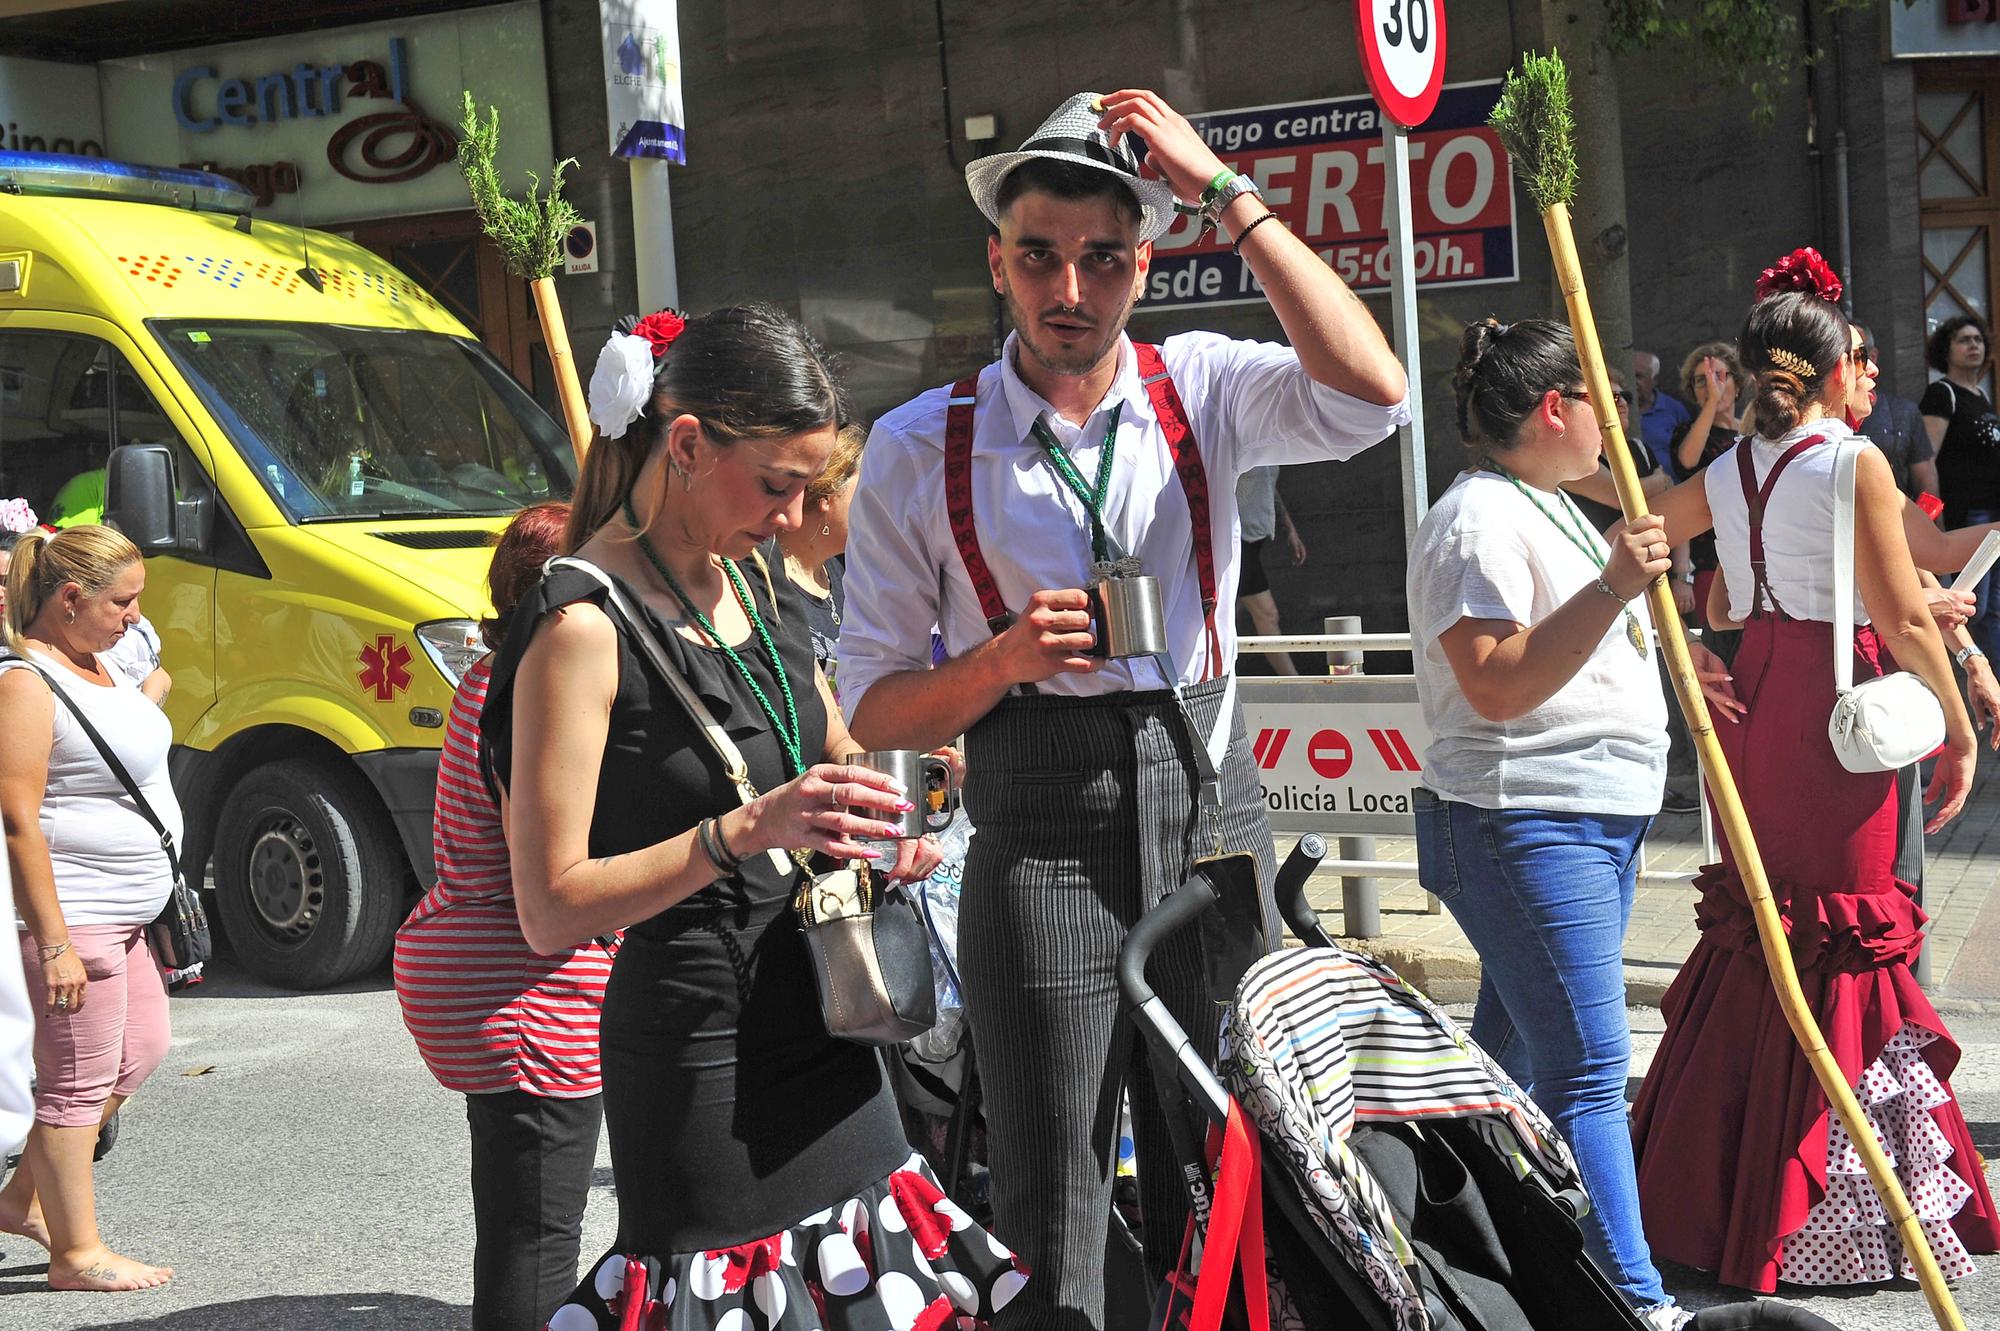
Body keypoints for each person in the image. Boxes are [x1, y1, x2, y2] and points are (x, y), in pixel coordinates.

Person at [839, 89, 1408, 1328]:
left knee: (1246, 1175)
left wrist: (1221, 188)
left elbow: (1376, 393)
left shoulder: (1198, 383)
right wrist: (993, 663)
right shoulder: (914, 444)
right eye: (1038, 255)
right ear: (997, 261)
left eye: (1102, 259)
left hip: (1214, 813)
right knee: (1051, 1199)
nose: (1069, 289)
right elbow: (875, 707)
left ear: (1142, 264)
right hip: (1038, 830)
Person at [487, 305, 1021, 1331]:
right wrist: (741, 830)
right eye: (777, 483)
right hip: (699, 1057)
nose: (792, 514)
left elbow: (832, 753)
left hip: (830, 1019)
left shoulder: (750, 582)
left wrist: (893, 806)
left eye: (805, 488)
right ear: (685, 444)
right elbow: (548, 907)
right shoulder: (578, 623)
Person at [1632, 253, 2000, 1291]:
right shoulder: (1851, 464)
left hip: (1756, 696)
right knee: (1841, 929)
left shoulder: (1729, 469)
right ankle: (1826, 1214)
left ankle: (1724, 1197)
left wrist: (1685, 652)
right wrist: (1961, 717)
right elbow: (1890, 613)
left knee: (1766, 929)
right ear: (1833, 370)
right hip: (1831, 718)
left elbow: (1648, 557)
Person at [1409, 317, 1737, 1331]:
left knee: (1504, 1069)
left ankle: (1456, 1243)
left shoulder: (1543, 502)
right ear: (1555, 408)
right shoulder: (1473, 520)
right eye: (1606, 401)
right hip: (1522, 820)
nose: (1617, 422)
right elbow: (1497, 683)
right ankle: (1631, 1300)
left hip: (1589, 818)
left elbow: (1599, 605)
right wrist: (1612, 585)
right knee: (1591, 1067)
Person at [392, 502, 615, 1331]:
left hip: (485, 970)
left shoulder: (497, 674)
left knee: (521, 1222)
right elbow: (552, 866)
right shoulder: (533, 685)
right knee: (540, 1234)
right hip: (522, 987)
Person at [0, 525, 174, 1291]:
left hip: (125, 914)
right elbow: (18, 816)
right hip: (81, 917)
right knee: (76, 1083)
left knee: (142, 1047)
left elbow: (124, 720)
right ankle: (75, 1254)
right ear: (70, 599)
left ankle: (18, 1199)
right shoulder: (25, 681)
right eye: (123, 601)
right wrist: (53, 943)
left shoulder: (93, 660)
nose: (135, 615)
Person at [1920, 314, 2000, 660]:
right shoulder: (1942, 393)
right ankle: (1968, 673)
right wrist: (1933, 518)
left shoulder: (1980, 394)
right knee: (1972, 608)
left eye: (1978, 340)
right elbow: (1928, 457)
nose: (1973, 346)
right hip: (1967, 515)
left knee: (1993, 609)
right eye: (1964, 340)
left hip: (1993, 511)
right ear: (1946, 350)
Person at [778, 423, 865, 695]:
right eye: (867, 488)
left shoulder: (845, 572)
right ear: (828, 495)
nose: (878, 502)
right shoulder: (767, 582)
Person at [1234, 465, 1307, 675]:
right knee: (1267, 613)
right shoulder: (1237, 443)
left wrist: (1290, 530)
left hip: (1253, 541)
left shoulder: (1270, 446)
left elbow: (1269, 488)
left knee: (1232, 615)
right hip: (1235, 543)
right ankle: (1296, 686)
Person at [1854, 324, 1938, 501]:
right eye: (1847, 358)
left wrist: (1929, 526)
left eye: (1858, 357)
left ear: (1873, 358)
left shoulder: (1903, 412)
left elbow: (1926, 478)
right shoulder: (1819, 418)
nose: (1866, 368)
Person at [1633, 349, 1693, 474]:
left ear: (1654, 380)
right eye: (1630, 375)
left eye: (1639, 376)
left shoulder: (1674, 410)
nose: (1633, 382)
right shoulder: (1618, 409)